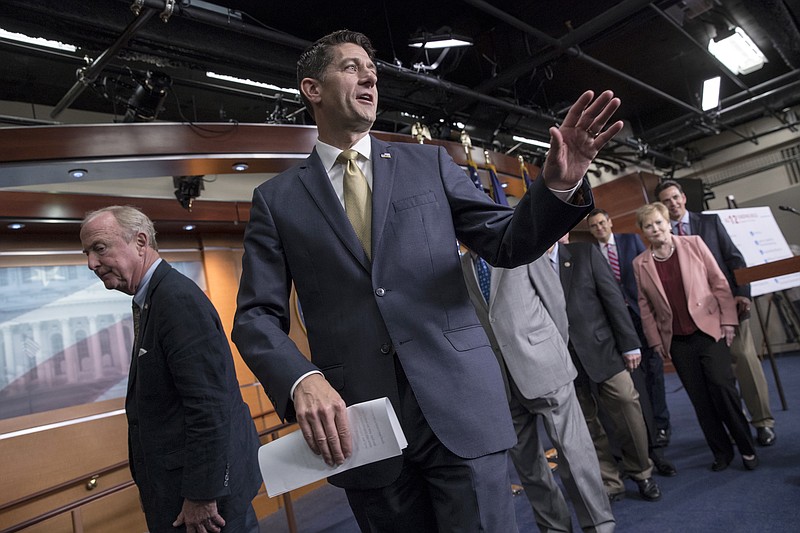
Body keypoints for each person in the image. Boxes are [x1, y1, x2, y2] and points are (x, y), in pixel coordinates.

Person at [232, 29, 623, 532]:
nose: (370, 76)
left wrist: (557, 186)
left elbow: (507, 244)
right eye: (352, 67)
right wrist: (301, 379)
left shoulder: (429, 163)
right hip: (363, 426)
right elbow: (255, 316)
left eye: (372, 70)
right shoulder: (276, 199)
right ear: (313, 89)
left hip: (460, 405)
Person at [79, 206, 262, 533]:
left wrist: (202, 495)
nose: (91, 263)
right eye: (87, 252)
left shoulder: (175, 299)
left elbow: (208, 404)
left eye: (99, 248)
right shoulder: (154, 298)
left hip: (206, 509)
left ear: (140, 241)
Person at [461, 251, 615, 533]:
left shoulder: (521, 250)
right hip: (502, 383)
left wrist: (550, 349)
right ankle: (555, 528)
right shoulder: (461, 267)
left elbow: (555, 302)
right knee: (530, 468)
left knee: (573, 454)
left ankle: (598, 523)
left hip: (545, 367)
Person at [633, 202, 758, 471]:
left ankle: (746, 445)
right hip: (677, 340)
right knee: (699, 398)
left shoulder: (694, 243)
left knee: (722, 388)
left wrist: (728, 321)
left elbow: (719, 282)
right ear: (643, 232)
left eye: (658, 222)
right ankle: (721, 451)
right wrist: (655, 341)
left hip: (709, 330)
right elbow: (645, 307)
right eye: (648, 225)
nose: (654, 229)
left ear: (668, 223)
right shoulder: (640, 263)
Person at [655, 179, 776, 447]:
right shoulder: (664, 237)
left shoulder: (710, 223)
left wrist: (743, 292)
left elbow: (735, 259)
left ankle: (763, 422)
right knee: (719, 377)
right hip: (696, 319)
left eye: (675, 197)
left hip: (729, 305)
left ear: (683, 198)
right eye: (666, 201)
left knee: (744, 361)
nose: (672, 203)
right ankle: (738, 425)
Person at [550, 236, 662, 503]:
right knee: (588, 424)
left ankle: (641, 471)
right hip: (564, 361)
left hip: (603, 350)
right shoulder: (528, 265)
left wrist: (630, 344)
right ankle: (610, 481)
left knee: (627, 405)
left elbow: (612, 297)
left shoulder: (584, 252)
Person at [586, 209, 674, 453]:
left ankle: (661, 423)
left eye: (602, 223)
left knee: (654, 371)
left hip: (641, 314)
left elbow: (648, 276)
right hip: (618, 323)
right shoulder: (591, 253)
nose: (600, 228)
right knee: (637, 376)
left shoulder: (630, 240)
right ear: (591, 230)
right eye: (594, 226)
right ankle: (646, 427)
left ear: (610, 222)